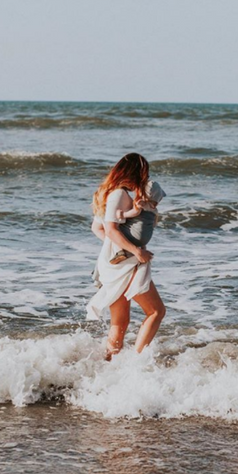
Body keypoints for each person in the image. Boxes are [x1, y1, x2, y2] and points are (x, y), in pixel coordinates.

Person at [87, 153, 166, 360]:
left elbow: (97, 228)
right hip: (127, 262)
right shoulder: (119, 195)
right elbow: (110, 230)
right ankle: (136, 361)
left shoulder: (110, 194)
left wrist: (115, 249)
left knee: (119, 322)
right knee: (156, 311)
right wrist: (134, 250)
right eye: (144, 173)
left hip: (119, 261)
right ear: (135, 173)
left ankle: (109, 363)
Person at [110, 179, 166, 264]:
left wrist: (122, 215)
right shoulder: (154, 210)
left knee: (115, 229)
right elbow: (153, 224)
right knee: (142, 229)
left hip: (134, 236)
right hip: (146, 238)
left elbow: (135, 213)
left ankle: (121, 251)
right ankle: (143, 249)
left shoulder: (141, 203)